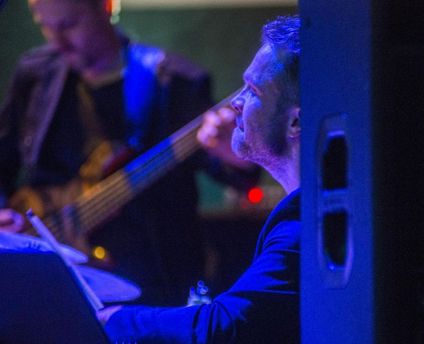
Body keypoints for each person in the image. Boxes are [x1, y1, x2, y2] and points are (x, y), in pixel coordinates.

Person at [0, 0, 258, 307]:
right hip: (54, 281)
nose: (58, 41)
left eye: (69, 25)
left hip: (153, 282)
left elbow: (235, 171)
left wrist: (236, 153)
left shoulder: (175, 81)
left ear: (105, 6)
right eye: (45, 26)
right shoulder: (35, 75)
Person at [101, 15, 301, 344]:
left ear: (295, 122)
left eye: (252, 90)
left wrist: (111, 323)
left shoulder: (306, 223)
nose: (235, 104)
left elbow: (223, 331)